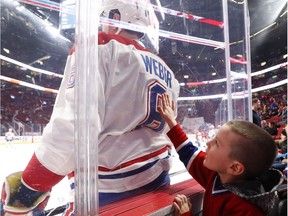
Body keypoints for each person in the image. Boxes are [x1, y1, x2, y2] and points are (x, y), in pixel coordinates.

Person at [1, 1, 180, 215]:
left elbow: (75, 127)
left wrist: (30, 184)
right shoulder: (169, 73)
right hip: (156, 179)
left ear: (114, 19)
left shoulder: (100, 46)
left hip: (108, 186)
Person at [157, 93, 283, 216]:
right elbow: (189, 154)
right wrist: (171, 121)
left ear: (235, 167)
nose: (208, 143)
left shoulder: (246, 210)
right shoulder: (221, 175)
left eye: (217, 143)